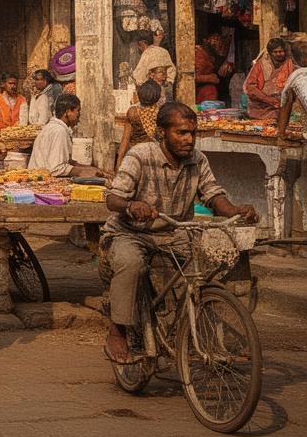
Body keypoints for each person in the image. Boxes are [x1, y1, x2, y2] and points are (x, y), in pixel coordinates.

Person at [101, 101, 258, 364]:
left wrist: (234, 210)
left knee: (211, 265)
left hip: (175, 233)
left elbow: (213, 194)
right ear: (163, 132)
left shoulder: (198, 159)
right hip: (131, 232)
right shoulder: (140, 155)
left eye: (192, 133)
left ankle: (205, 334)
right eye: (181, 133)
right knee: (132, 263)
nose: (189, 139)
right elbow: (112, 199)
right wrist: (131, 205)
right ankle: (117, 332)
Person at [28, 94, 102, 178]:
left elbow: (66, 161)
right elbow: (56, 169)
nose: (79, 116)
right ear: (67, 112)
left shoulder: (51, 127)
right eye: (77, 111)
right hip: (40, 181)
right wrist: (82, 171)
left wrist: (90, 168)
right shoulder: (59, 131)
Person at [243, 37, 294, 121]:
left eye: (281, 51)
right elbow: (250, 87)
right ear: (270, 53)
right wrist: (270, 100)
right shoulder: (260, 65)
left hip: (283, 106)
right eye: (275, 52)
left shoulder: (290, 64)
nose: (278, 54)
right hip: (261, 108)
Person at [116, 79, 164, 166]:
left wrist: (118, 163)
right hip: (154, 158)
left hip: (135, 156)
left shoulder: (133, 112)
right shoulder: (161, 113)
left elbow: (125, 140)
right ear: (157, 96)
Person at [195, 32, 235, 105]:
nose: (217, 42)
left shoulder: (213, 55)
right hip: (203, 92)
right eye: (214, 39)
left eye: (218, 39)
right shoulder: (199, 54)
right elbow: (191, 77)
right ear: (205, 41)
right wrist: (209, 78)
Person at [131, 31, 174, 95]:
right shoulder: (164, 51)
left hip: (152, 90)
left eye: (139, 46)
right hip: (164, 88)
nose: (139, 48)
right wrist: (169, 80)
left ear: (143, 43)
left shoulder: (147, 53)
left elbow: (139, 76)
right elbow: (172, 69)